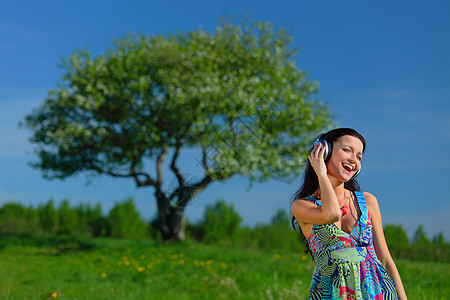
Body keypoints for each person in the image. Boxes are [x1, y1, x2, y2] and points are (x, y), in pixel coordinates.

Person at [290, 128, 407, 300]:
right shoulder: (302, 206)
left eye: (359, 156)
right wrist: (321, 173)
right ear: (324, 151)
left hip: (376, 293)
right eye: (347, 150)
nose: (354, 159)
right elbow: (331, 214)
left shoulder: (367, 202)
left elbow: (386, 260)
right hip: (332, 294)